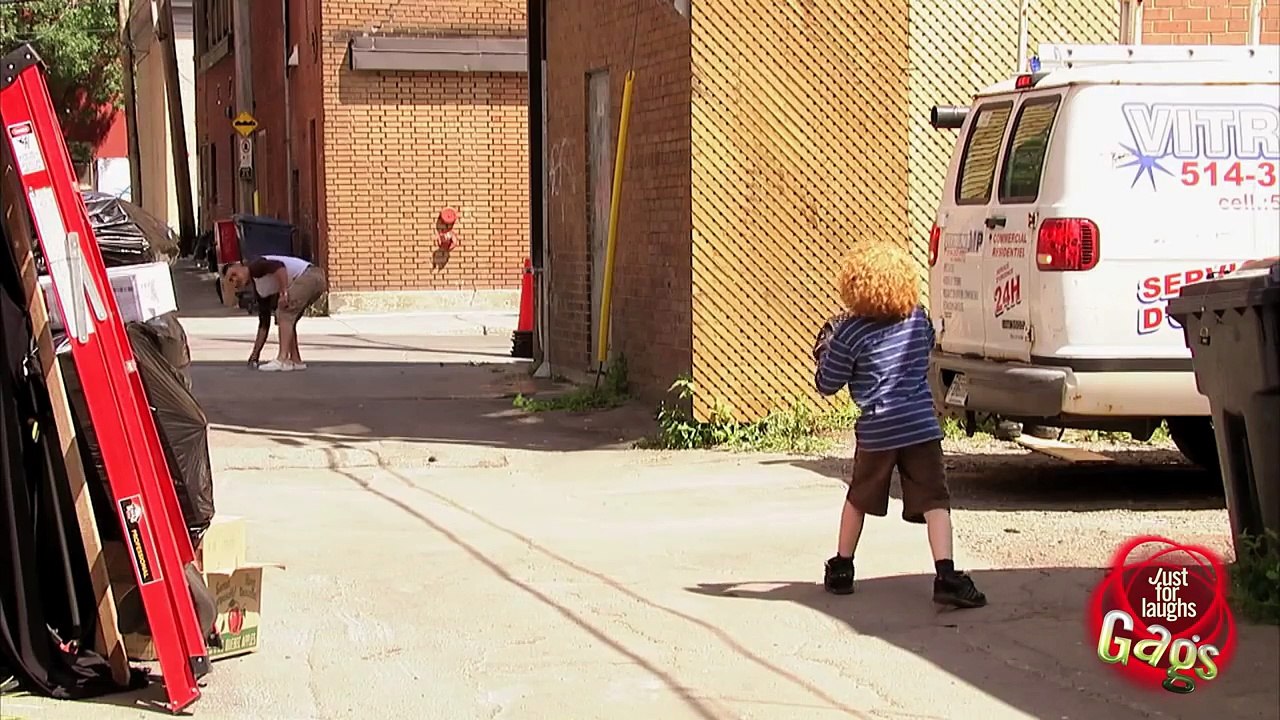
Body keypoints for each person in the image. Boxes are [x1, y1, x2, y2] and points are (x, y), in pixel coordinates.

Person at [812, 241, 987, 608]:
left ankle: (842, 567)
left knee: (860, 495)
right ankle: (946, 575)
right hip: (921, 423)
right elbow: (924, 350)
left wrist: (826, 350)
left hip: (879, 427)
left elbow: (827, 384)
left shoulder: (849, 333)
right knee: (935, 498)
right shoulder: (918, 318)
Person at [220, 254, 327, 372]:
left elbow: (280, 268)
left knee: (284, 313)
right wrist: (255, 355)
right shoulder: (260, 290)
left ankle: (282, 359)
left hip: (310, 275)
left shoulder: (256, 266)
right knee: (288, 319)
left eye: (234, 274)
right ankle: (296, 360)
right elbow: (264, 324)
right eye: (231, 281)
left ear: (240, 266)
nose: (235, 280)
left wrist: (283, 293)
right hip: (317, 278)